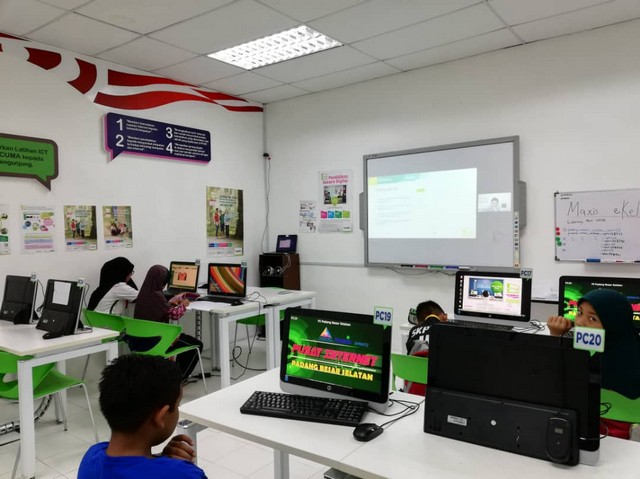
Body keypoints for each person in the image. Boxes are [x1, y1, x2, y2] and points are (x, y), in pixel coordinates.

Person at [78, 354, 207, 479]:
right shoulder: (185, 474)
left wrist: (161, 458)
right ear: (161, 417)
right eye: (177, 404)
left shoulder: (91, 456)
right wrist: (169, 466)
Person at [547, 289, 640, 438]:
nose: (580, 322)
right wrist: (556, 337)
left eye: (592, 319)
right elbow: (552, 376)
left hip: (621, 434)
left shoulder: (630, 362)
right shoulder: (584, 347)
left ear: (613, 323)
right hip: (579, 423)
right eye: (579, 312)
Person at [133, 265, 203, 381]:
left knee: (183, 340)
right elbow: (174, 315)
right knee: (196, 345)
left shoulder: (143, 294)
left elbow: (160, 308)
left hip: (140, 341)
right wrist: (183, 305)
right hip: (157, 341)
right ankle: (177, 380)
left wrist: (170, 302)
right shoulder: (157, 296)